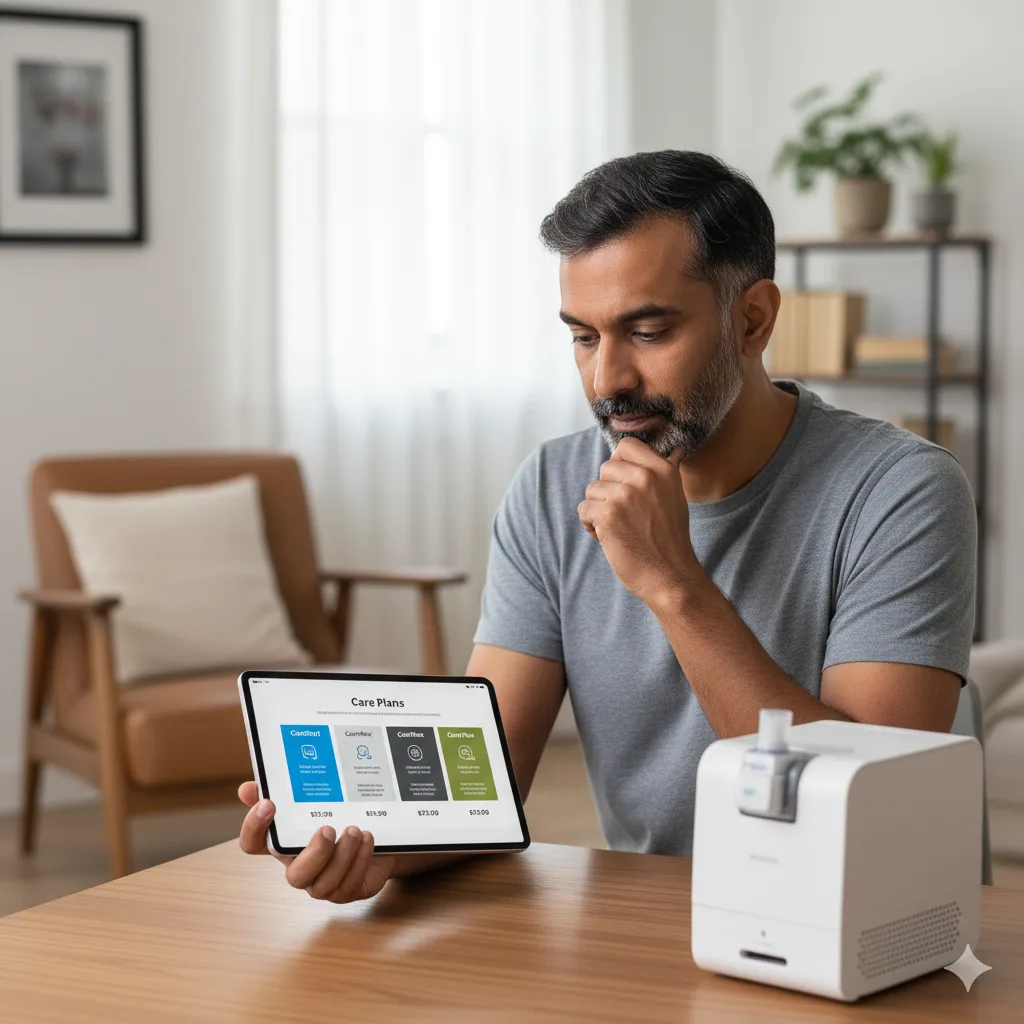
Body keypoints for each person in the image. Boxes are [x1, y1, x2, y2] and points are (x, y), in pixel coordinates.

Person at [238, 150, 976, 903]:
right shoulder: (552, 486)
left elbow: (866, 815)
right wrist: (380, 850)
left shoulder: (901, 490)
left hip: (858, 919)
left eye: (648, 332)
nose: (606, 381)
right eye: (583, 337)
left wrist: (671, 581)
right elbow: (482, 795)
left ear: (752, 320)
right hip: (656, 920)